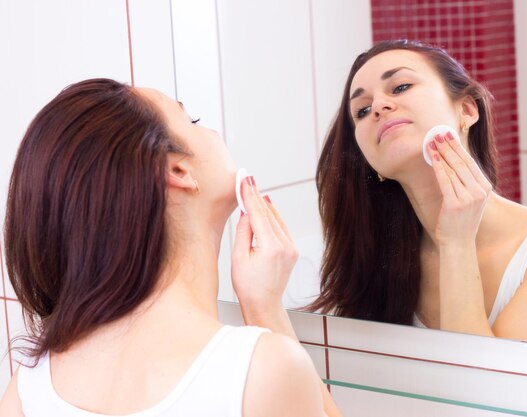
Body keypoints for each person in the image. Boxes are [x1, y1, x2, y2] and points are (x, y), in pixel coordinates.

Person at [0, 79, 341, 417]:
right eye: (191, 120)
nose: (212, 131)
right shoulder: (264, 372)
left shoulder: (27, 388)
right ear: (177, 169)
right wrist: (266, 311)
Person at [310, 40, 527, 349]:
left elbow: (487, 392)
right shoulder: (374, 263)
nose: (379, 106)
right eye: (363, 110)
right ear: (373, 163)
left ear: (466, 110)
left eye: (400, 87)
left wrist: (457, 243)